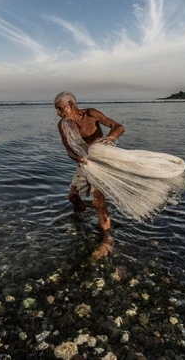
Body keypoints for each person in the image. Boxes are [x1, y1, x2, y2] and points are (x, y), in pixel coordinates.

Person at [54, 91, 125, 258]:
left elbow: (118, 127)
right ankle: (81, 219)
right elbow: (69, 151)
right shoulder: (63, 124)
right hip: (84, 163)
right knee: (72, 197)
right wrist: (79, 158)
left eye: (60, 108)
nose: (58, 113)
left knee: (98, 202)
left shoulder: (91, 113)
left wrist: (107, 141)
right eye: (56, 110)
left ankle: (107, 239)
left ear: (70, 104)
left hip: (101, 163)